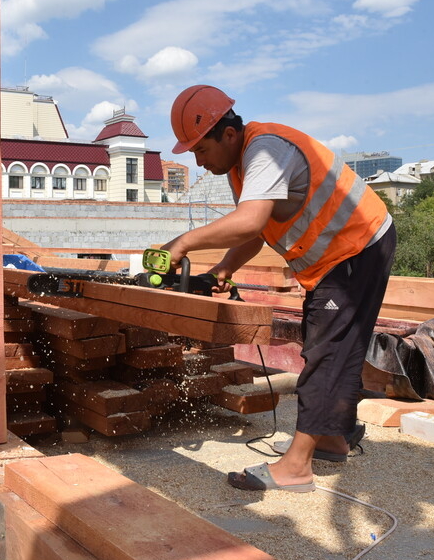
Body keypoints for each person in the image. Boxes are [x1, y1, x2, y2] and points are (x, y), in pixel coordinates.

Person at [162, 84, 396, 493]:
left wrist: (183, 242)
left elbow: (251, 221)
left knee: (327, 352)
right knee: (327, 345)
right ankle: (331, 438)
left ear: (229, 134)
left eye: (201, 150)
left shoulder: (266, 150)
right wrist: (226, 265)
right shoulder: (241, 164)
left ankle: (296, 467)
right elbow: (258, 228)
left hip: (358, 247)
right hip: (338, 257)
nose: (199, 162)